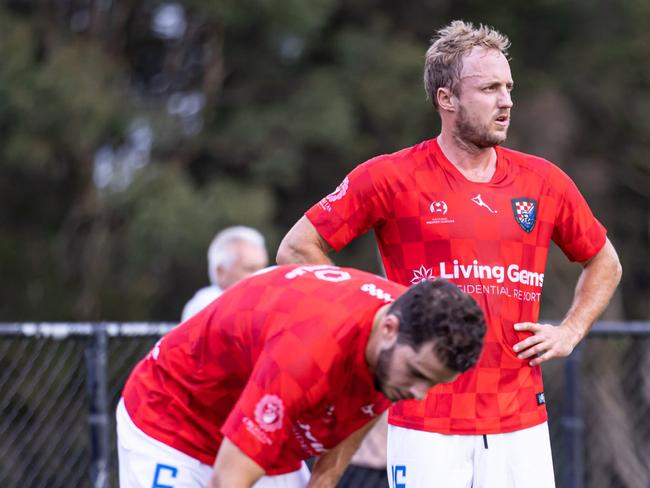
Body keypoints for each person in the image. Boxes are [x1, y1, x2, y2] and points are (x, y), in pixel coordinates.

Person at [276, 20, 622, 488]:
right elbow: (297, 248)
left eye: (509, 88)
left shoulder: (544, 182)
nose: (506, 101)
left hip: (520, 420)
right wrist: (369, 321)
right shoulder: (390, 177)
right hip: (426, 419)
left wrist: (572, 330)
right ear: (447, 99)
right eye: (489, 88)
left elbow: (604, 261)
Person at [117, 264, 486, 488]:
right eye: (417, 374)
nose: (419, 394)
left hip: (263, 426)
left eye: (433, 383)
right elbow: (228, 479)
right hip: (173, 420)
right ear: (388, 328)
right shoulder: (307, 356)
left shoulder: (400, 336)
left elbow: (360, 411)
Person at [181, 226, 268, 321]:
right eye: (250, 269)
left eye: (263, 268)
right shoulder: (206, 305)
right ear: (221, 272)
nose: (262, 274)